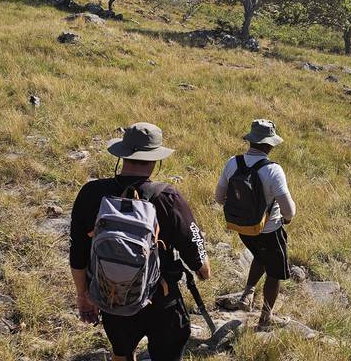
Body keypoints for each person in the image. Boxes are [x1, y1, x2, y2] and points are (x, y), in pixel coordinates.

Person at [69, 122, 211, 361]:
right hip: (162, 301)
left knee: (122, 353)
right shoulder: (167, 197)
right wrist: (203, 270)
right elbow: (198, 257)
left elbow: (78, 254)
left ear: (122, 155)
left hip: (112, 297)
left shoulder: (91, 193)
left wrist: (84, 296)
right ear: (156, 159)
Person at [214, 119, 296, 329]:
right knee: (275, 273)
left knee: (260, 256)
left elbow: (219, 197)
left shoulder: (233, 162)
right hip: (269, 230)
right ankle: (265, 320)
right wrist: (286, 219)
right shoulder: (273, 170)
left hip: (242, 228)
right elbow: (289, 209)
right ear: (270, 144)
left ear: (251, 141)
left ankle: (247, 294)